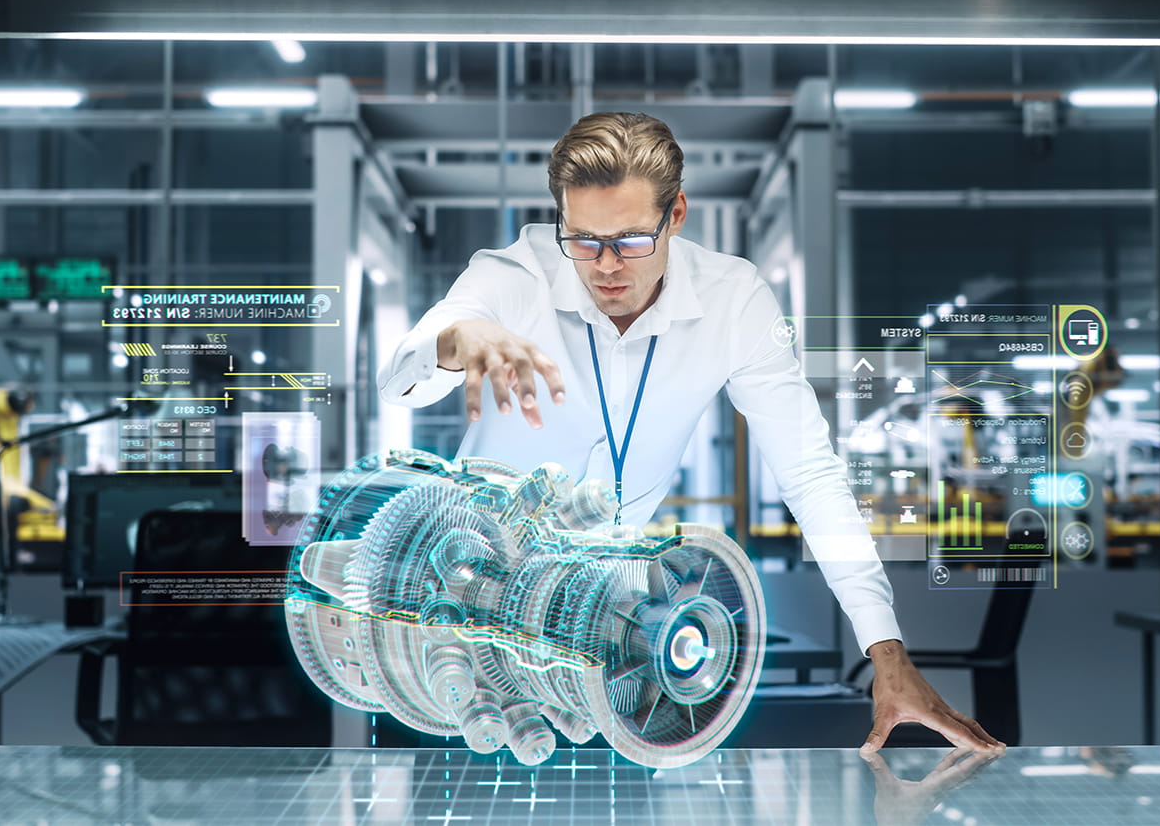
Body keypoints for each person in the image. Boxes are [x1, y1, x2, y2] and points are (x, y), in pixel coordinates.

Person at [378, 111, 1004, 753]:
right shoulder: (518, 276)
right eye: (583, 239)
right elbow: (403, 371)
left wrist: (885, 647)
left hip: (604, 632)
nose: (604, 266)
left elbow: (809, 470)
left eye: (629, 239)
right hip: (459, 609)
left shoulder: (733, 302)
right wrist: (457, 339)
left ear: (675, 215)